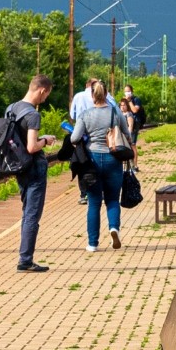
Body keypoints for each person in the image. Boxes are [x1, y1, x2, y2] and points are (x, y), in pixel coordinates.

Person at [3, 75, 57, 273]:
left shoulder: (12, 108)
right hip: (34, 168)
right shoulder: (33, 114)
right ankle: (25, 260)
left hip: (19, 166)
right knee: (32, 215)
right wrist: (46, 140)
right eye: (46, 95)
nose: (45, 99)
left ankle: (25, 257)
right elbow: (32, 146)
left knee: (27, 212)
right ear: (42, 90)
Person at [76, 79, 134, 251]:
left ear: (93, 95)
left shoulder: (86, 114)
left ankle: (92, 244)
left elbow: (74, 138)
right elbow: (126, 133)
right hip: (113, 159)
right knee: (112, 200)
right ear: (106, 93)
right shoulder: (115, 112)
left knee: (94, 202)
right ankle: (114, 228)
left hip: (92, 160)